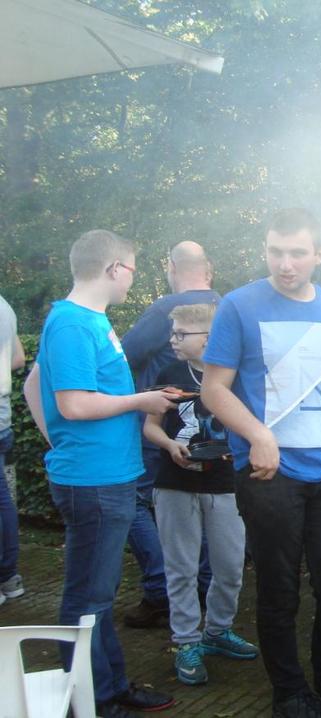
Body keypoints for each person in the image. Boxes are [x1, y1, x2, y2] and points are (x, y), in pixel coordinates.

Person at [201, 209, 321, 718]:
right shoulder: (239, 305)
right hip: (267, 473)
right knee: (278, 588)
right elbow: (213, 388)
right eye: (276, 251)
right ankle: (289, 692)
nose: (285, 263)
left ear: (319, 255)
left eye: (297, 252)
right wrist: (256, 434)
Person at [23, 229, 177, 718]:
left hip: (104, 476)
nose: (133, 279)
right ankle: (89, 700)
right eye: (132, 269)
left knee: (99, 595)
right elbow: (71, 402)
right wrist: (141, 402)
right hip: (93, 483)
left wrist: (59, 442)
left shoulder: (90, 320)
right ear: (113, 268)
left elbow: (33, 382)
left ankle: (109, 687)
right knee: (86, 597)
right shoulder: (72, 324)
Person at [143, 303, 258, 686]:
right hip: (175, 484)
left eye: (180, 334)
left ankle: (218, 632)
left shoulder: (235, 375)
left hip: (226, 484)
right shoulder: (169, 372)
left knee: (229, 567)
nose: (172, 340)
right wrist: (170, 447)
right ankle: (187, 642)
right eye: (172, 332)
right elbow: (151, 427)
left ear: (208, 337)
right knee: (181, 569)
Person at [120, 241, 219, 628]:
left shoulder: (166, 310)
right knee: (207, 508)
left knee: (135, 502)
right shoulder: (225, 305)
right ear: (208, 270)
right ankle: (206, 593)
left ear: (171, 267)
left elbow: (122, 356)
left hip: (164, 432)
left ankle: (162, 590)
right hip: (214, 430)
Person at [0, 292, 27, 606]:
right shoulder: (5, 306)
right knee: (3, 500)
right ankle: (8, 576)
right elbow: (18, 358)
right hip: (3, 418)